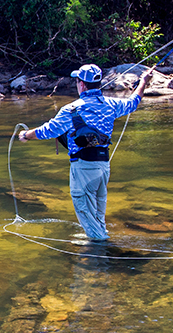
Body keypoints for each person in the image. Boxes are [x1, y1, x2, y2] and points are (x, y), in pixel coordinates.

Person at [18, 63, 154, 242]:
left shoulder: (71, 109)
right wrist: (143, 81)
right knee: (97, 213)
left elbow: (49, 131)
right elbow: (134, 102)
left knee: (85, 211)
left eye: (77, 81)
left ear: (81, 84)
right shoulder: (112, 104)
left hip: (83, 167)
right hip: (103, 166)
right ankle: (98, 238)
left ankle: (99, 252)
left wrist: (26, 135)